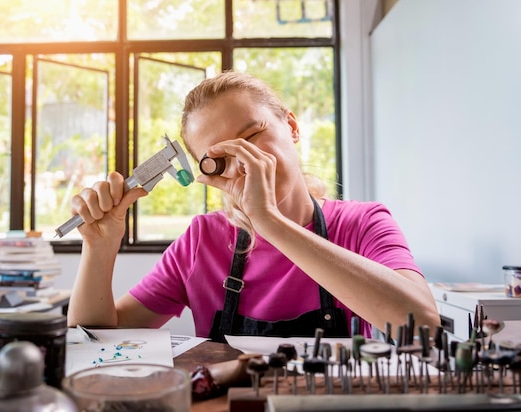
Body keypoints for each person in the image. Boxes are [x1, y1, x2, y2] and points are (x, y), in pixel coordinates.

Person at [66, 71, 440, 342]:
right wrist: (99, 248)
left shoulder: (362, 223)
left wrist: (270, 222)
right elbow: (95, 340)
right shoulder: (202, 240)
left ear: (291, 126)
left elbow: (422, 324)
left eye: (251, 136)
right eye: (221, 158)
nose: (245, 162)